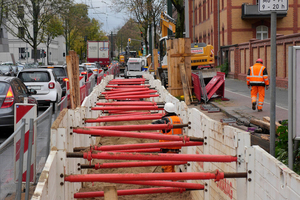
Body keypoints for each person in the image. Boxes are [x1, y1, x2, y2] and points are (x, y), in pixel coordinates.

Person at [152, 102, 183, 173]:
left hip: (167, 149)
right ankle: (175, 182)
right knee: (171, 168)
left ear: (165, 111)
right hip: (176, 149)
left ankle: (170, 183)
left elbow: (153, 124)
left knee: (167, 169)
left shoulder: (166, 120)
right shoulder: (179, 119)